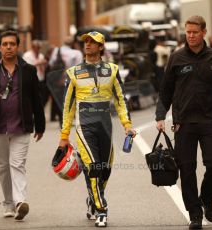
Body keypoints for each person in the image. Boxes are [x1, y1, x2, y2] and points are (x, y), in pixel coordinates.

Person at [155, 16, 212, 229]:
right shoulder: (176, 58)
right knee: (187, 169)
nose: (190, 35)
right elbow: (165, 90)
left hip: (209, 122)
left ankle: (207, 199)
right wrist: (161, 115)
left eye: (194, 32)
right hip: (183, 123)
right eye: (187, 32)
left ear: (204, 32)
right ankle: (195, 213)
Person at [58, 31, 136, 227]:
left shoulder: (112, 70)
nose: (88, 44)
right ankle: (102, 210)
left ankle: (93, 199)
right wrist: (64, 135)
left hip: (105, 126)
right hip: (84, 127)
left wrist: (127, 125)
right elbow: (68, 106)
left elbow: (120, 99)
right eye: (86, 41)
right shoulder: (73, 72)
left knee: (105, 169)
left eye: (93, 42)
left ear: (101, 47)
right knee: (93, 167)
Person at [0, 30, 45, 221]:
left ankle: (21, 201)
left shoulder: (28, 70)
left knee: (17, 163)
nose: (8, 47)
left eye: (12, 44)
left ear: (18, 47)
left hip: (21, 126)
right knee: (3, 166)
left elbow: (37, 100)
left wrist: (40, 125)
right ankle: (8, 203)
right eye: (4, 44)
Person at [48, 36, 84, 127]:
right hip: (72, 79)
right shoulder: (77, 53)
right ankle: (72, 119)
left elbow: (51, 63)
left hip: (59, 79)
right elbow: (79, 67)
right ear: (73, 43)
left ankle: (63, 121)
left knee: (61, 99)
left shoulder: (57, 50)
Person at [23, 40, 49, 106]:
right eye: (36, 47)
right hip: (31, 79)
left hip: (41, 78)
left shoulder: (41, 55)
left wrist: (45, 64)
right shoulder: (27, 55)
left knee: (43, 97)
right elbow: (26, 67)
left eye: (39, 47)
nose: (38, 49)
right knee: (33, 97)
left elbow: (44, 67)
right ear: (33, 47)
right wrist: (38, 63)